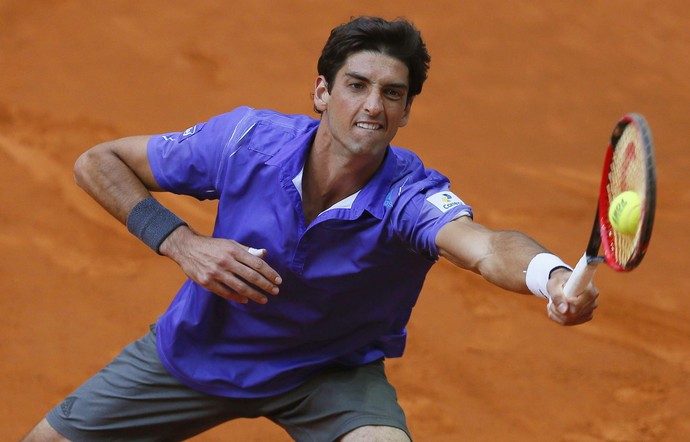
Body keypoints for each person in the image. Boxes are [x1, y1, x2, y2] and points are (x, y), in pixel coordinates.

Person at [23, 16, 598, 442]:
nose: (372, 106)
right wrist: (183, 243)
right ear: (322, 92)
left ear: (405, 113)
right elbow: (97, 162)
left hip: (327, 373)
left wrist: (552, 277)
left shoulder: (410, 196)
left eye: (391, 94)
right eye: (356, 85)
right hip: (196, 353)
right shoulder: (245, 141)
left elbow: (486, 247)